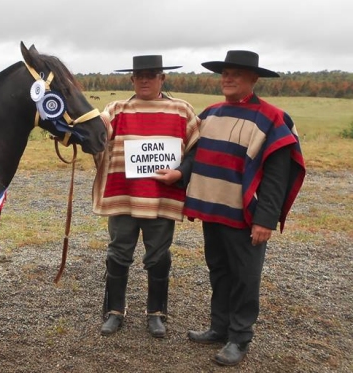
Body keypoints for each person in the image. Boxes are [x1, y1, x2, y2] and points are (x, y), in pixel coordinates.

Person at [182, 50, 306, 366]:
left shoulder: (271, 118)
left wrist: (265, 219)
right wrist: (179, 174)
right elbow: (195, 157)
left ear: (253, 79)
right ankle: (219, 327)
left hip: (245, 217)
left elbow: (277, 177)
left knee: (245, 277)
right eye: (225, 72)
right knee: (219, 271)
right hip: (214, 210)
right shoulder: (210, 113)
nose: (228, 78)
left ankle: (239, 338)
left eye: (236, 73)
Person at [92, 55, 200, 338]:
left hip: (161, 198)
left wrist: (180, 173)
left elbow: (197, 149)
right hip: (123, 197)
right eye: (139, 75)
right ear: (131, 80)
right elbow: (94, 132)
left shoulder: (181, 110)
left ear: (162, 79)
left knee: (159, 257)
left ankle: (156, 313)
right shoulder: (116, 109)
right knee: (117, 255)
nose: (144, 80)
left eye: (151, 75)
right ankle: (114, 311)